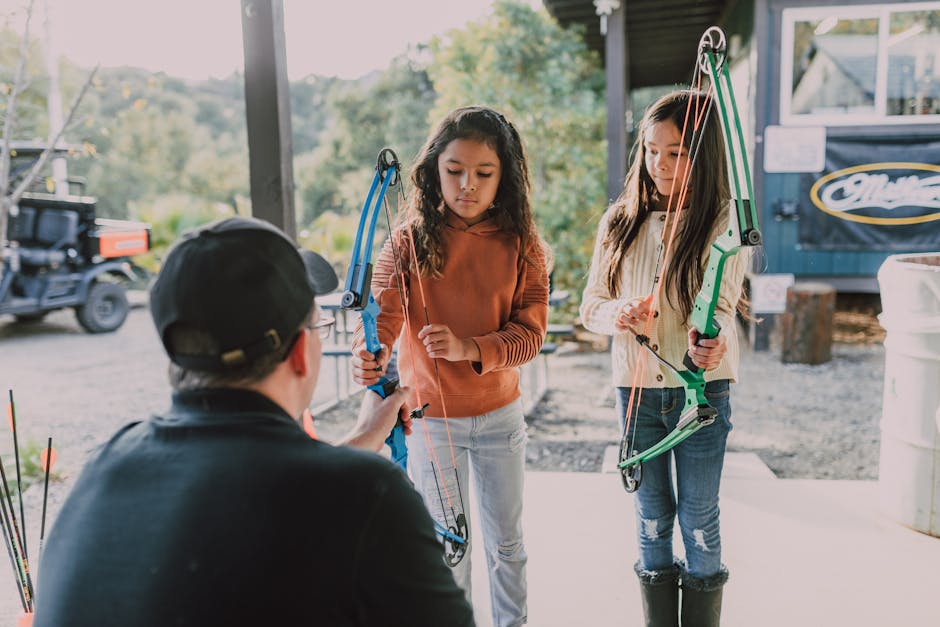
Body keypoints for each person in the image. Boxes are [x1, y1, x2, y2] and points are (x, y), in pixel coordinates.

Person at [34, 216, 475, 627]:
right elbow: (300, 495)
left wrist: (366, 436)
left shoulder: (106, 466)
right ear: (301, 352)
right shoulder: (367, 496)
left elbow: (246, 491)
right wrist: (368, 473)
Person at [351, 105, 549, 627]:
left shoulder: (522, 243)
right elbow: (382, 316)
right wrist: (368, 351)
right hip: (431, 421)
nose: (468, 185)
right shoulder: (407, 240)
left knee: (507, 546)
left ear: (504, 176)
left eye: (484, 174)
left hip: (500, 417)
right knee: (448, 547)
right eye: (454, 170)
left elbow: (531, 335)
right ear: (434, 169)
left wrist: (468, 348)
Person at [580, 90, 750, 627]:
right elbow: (591, 307)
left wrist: (711, 338)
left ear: (703, 155)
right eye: (652, 150)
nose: (660, 164)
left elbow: (718, 306)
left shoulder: (724, 220)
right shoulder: (619, 222)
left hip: (701, 392)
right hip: (635, 391)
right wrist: (619, 313)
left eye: (677, 152)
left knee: (698, 517)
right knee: (652, 518)